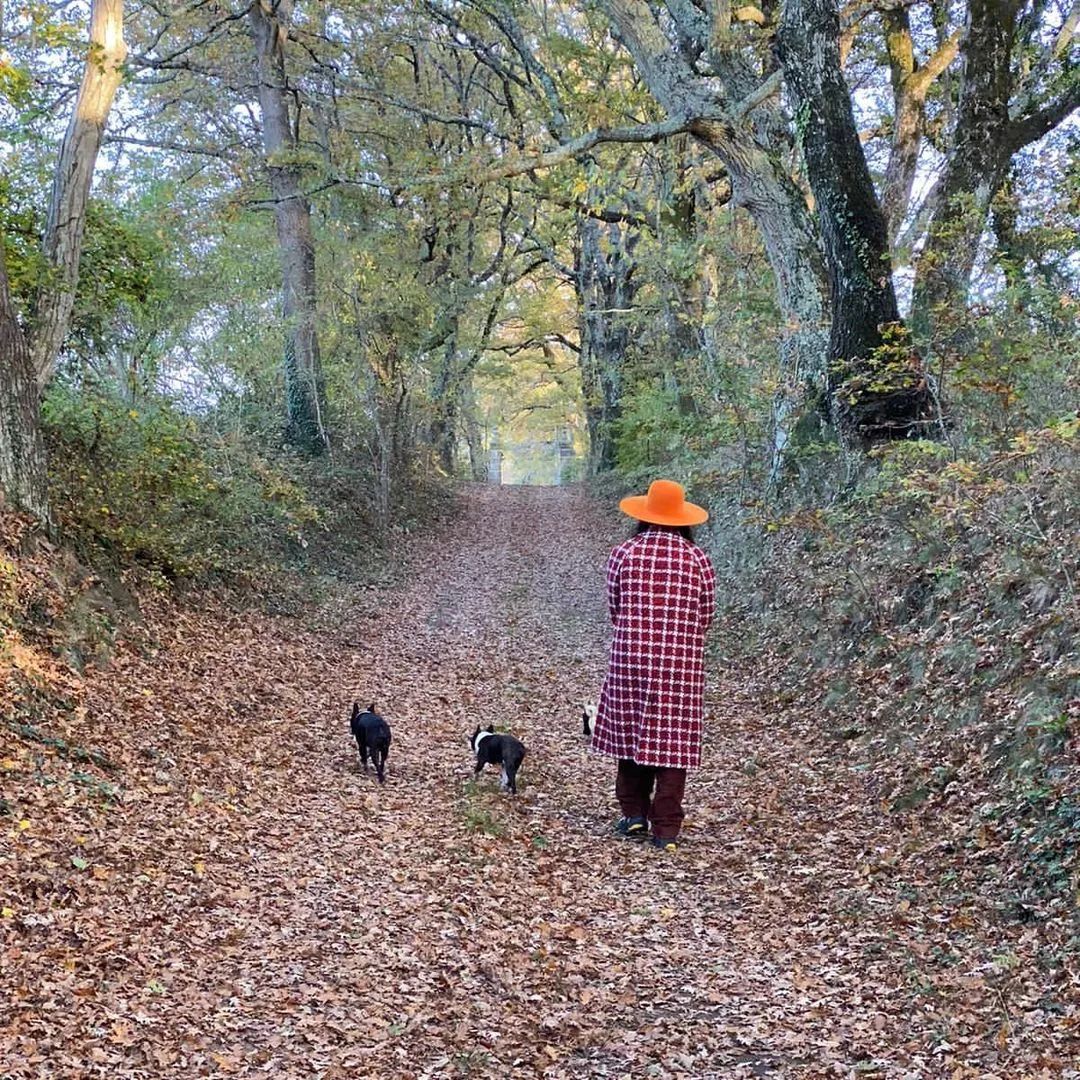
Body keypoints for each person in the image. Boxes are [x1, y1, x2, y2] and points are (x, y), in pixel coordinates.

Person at [591, 479, 716, 852]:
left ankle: (633, 815)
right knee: (672, 741)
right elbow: (705, 614)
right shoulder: (697, 559)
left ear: (644, 515)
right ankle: (666, 831)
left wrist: (637, 631)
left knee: (631, 731)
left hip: (630, 655)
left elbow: (615, 608)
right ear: (682, 519)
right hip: (681, 663)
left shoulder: (624, 554)